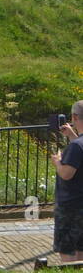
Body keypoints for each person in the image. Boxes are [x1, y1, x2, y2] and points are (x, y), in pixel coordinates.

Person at [52, 101, 83, 262]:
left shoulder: (76, 147)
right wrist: (72, 136)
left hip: (71, 206)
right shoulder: (78, 143)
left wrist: (58, 161)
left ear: (74, 117)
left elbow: (67, 174)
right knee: (80, 249)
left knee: (68, 250)